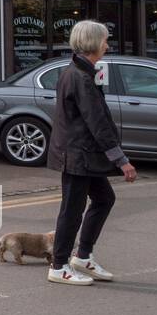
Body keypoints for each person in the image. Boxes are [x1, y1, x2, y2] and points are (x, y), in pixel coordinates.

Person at [47, 20, 138, 286]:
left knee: (104, 199)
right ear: (92, 43)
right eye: (104, 40)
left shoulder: (81, 71)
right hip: (77, 154)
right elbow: (96, 121)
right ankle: (59, 266)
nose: (107, 45)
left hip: (82, 153)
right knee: (71, 211)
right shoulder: (79, 77)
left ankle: (83, 256)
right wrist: (121, 160)